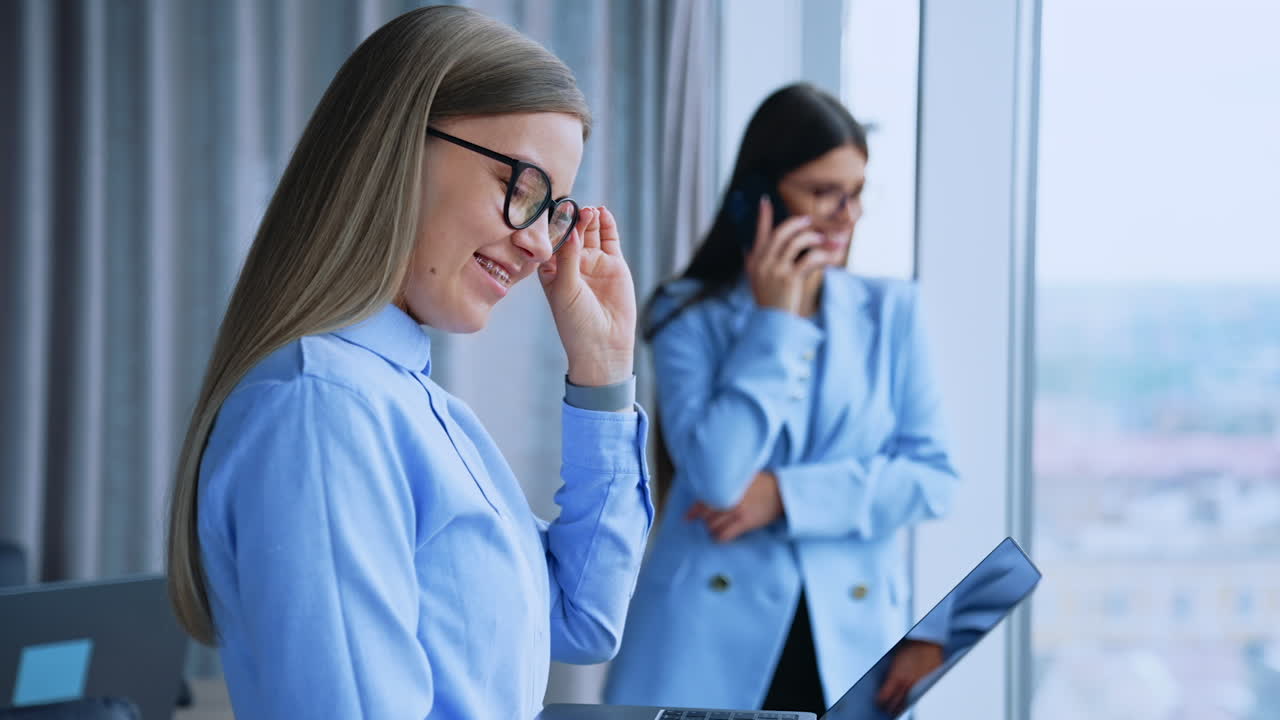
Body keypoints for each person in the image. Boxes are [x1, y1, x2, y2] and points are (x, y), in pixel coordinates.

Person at [163, 7, 652, 719]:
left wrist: (603, 371)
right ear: (397, 149)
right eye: (520, 186)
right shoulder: (322, 410)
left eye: (553, 210)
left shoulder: (406, 402)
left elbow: (584, 618)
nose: (543, 246)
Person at [604, 84, 959, 713]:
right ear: (759, 199)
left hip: (850, 642)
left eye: (855, 193)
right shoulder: (686, 312)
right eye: (824, 193)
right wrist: (778, 323)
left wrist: (784, 497)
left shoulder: (893, 313)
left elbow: (933, 479)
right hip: (705, 642)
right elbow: (716, 478)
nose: (846, 216)